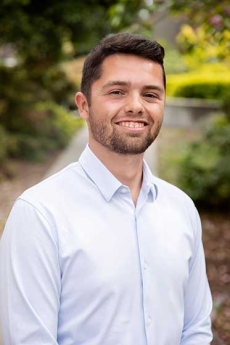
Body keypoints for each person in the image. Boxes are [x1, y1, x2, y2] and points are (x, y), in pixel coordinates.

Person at [0, 33, 213, 344]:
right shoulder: (40, 215)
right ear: (84, 106)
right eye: (117, 91)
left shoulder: (181, 209)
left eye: (151, 95)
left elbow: (195, 328)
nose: (136, 106)